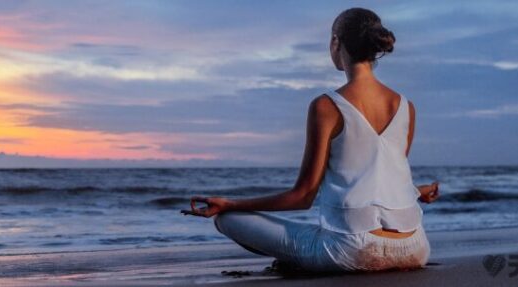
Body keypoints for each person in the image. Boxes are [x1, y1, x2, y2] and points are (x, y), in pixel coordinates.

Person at [183, 7, 441, 273]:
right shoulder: (406, 107)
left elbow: (302, 196)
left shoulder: (326, 106)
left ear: (335, 42)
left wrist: (230, 204)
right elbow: (380, 177)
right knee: (322, 231)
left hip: (352, 252)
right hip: (415, 247)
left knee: (227, 220)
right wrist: (414, 191)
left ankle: (298, 260)